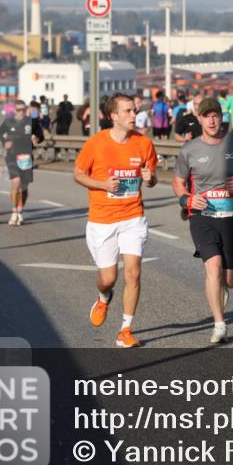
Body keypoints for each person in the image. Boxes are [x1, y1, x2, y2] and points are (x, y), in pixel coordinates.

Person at [173, 98, 233, 344]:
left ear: (222, 117)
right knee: (212, 266)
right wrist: (186, 200)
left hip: (231, 217)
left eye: (215, 115)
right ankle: (219, 324)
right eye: (206, 116)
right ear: (199, 119)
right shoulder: (189, 149)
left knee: (231, 280)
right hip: (201, 216)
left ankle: (222, 288)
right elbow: (178, 182)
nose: (211, 120)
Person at [74, 93, 158, 347]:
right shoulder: (96, 144)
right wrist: (102, 184)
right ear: (113, 116)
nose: (134, 115)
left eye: (134, 110)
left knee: (133, 273)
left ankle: (125, 330)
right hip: (102, 220)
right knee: (108, 278)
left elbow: (152, 179)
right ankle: (103, 297)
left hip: (133, 216)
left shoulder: (143, 144)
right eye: (128, 111)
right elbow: (78, 174)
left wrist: (149, 178)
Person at [0, 100, 44, 226]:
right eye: (18, 110)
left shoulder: (32, 122)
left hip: (27, 157)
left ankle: (20, 211)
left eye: (23, 110)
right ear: (14, 111)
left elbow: (41, 135)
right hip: (12, 156)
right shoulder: (8, 122)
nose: (21, 112)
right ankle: (14, 212)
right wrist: (4, 143)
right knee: (16, 182)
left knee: (24, 187)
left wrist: (37, 138)